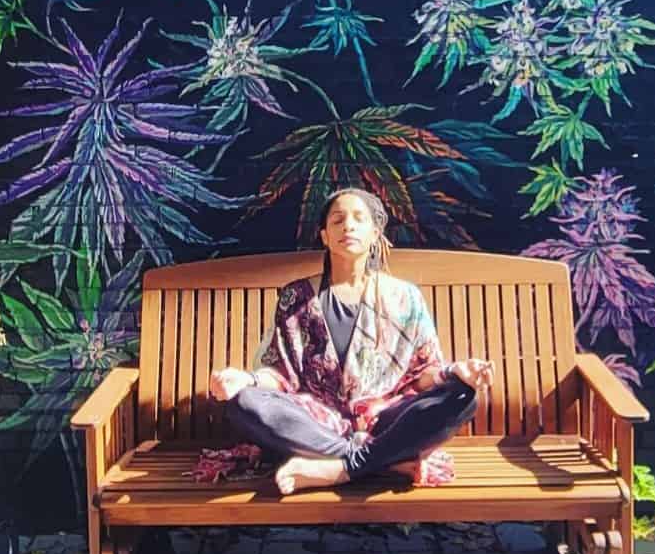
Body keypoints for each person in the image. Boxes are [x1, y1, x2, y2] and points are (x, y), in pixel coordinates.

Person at [209, 187, 494, 495]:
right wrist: (244, 379)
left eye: (359, 218)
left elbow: (424, 374)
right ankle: (382, 463)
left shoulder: (404, 296)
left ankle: (341, 468)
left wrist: (457, 373)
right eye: (338, 220)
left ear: (375, 233)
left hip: (387, 417)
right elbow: (280, 373)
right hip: (316, 422)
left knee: (463, 397)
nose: (348, 226)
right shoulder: (297, 296)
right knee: (244, 402)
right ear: (324, 236)